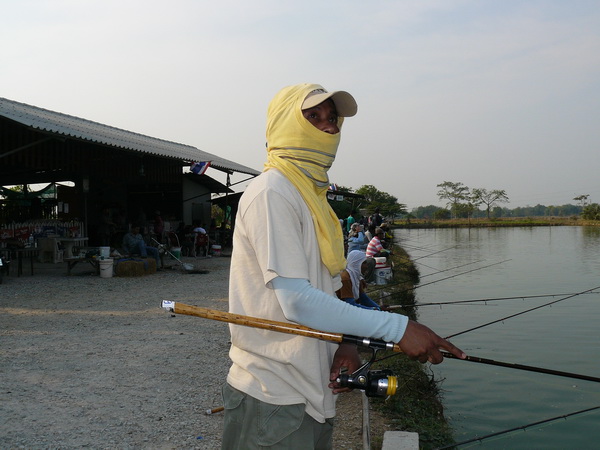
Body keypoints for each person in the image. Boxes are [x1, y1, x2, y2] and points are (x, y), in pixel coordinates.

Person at [223, 83, 465, 449]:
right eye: (314, 117)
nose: (329, 128)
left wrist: (347, 345)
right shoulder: (274, 191)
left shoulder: (313, 196)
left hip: (313, 389)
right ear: (282, 124)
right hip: (273, 393)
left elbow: (329, 287)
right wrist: (398, 327)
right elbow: (297, 302)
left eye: (333, 120)